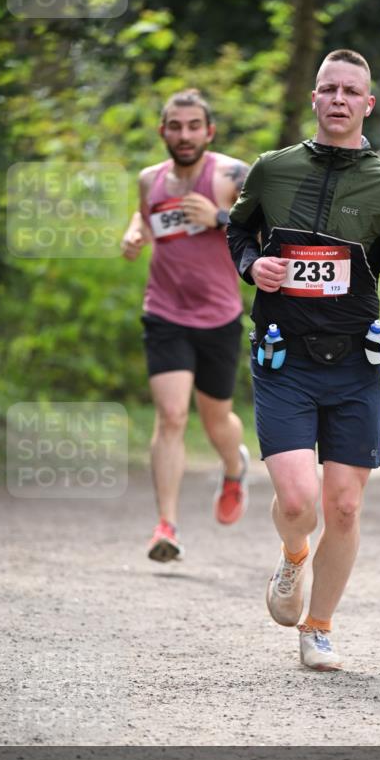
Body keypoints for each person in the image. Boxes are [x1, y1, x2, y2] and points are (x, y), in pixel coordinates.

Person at [227, 49, 380, 671]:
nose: (339, 100)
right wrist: (254, 265)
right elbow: (237, 230)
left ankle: (319, 627)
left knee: (345, 506)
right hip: (284, 358)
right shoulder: (272, 170)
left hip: (355, 362)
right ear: (315, 98)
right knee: (299, 502)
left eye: (351, 91)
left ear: (368, 104)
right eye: (329, 89)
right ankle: (294, 552)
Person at [122, 88, 250, 562]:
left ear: (209, 132)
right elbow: (147, 214)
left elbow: (271, 229)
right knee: (172, 415)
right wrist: (135, 232)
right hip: (165, 312)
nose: (184, 135)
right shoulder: (149, 179)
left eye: (194, 126)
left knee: (217, 420)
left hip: (219, 316)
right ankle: (166, 526)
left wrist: (219, 217)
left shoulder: (233, 175)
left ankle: (234, 467)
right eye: (175, 127)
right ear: (163, 132)